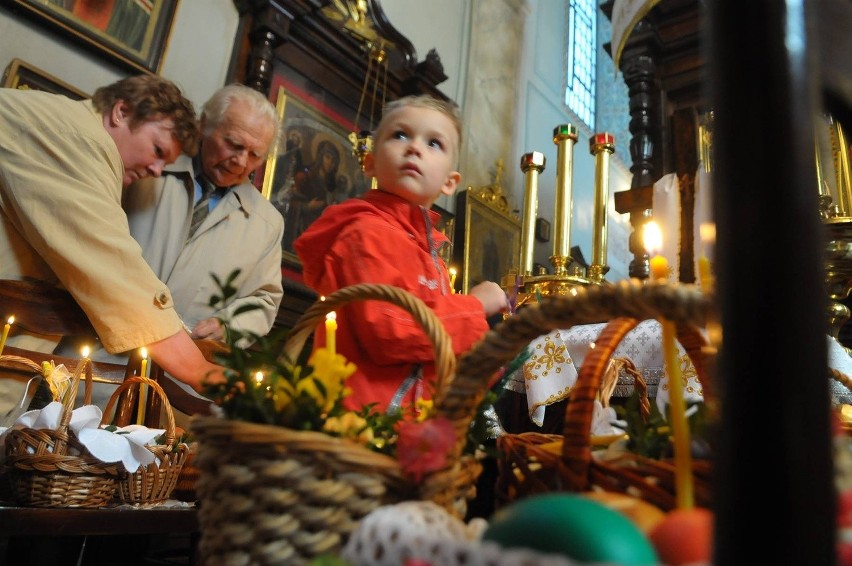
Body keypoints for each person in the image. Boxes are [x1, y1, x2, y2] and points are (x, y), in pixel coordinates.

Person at [0, 75, 223, 401]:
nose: (157, 171)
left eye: (166, 162)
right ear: (121, 112)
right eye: (157, 150)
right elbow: (109, 264)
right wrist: (200, 371)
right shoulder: (78, 137)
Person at [294, 94, 507, 416]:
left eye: (434, 143)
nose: (414, 147)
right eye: (400, 135)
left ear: (450, 182)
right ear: (370, 162)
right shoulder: (365, 232)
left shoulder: (426, 249)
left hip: (409, 425)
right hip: (361, 421)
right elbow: (390, 330)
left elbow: (433, 350)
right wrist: (475, 306)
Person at [122, 84, 284, 346]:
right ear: (205, 125)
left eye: (255, 155)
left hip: (180, 370)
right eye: (234, 144)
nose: (241, 162)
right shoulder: (150, 167)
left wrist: (229, 325)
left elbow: (263, 300)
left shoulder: (267, 223)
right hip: (99, 351)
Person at [282, 139, 341, 252]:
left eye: (333, 161)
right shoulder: (304, 178)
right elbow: (287, 203)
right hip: (302, 230)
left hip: (319, 235)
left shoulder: (331, 189)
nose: (330, 163)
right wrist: (307, 207)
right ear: (320, 157)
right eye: (327, 157)